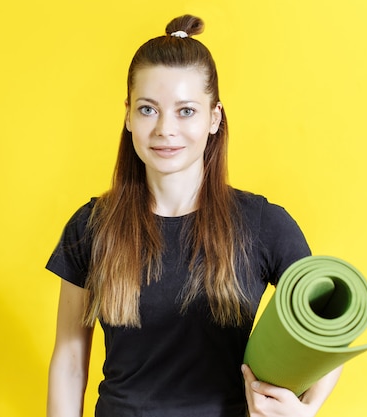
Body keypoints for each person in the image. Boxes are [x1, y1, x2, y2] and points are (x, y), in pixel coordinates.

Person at [46, 14, 342, 417]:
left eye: (186, 111)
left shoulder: (262, 224)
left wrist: (306, 410)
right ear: (128, 115)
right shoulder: (92, 226)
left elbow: (331, 330)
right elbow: (68, 360)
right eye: (149, 109)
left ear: (214, 117)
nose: (166, 129)